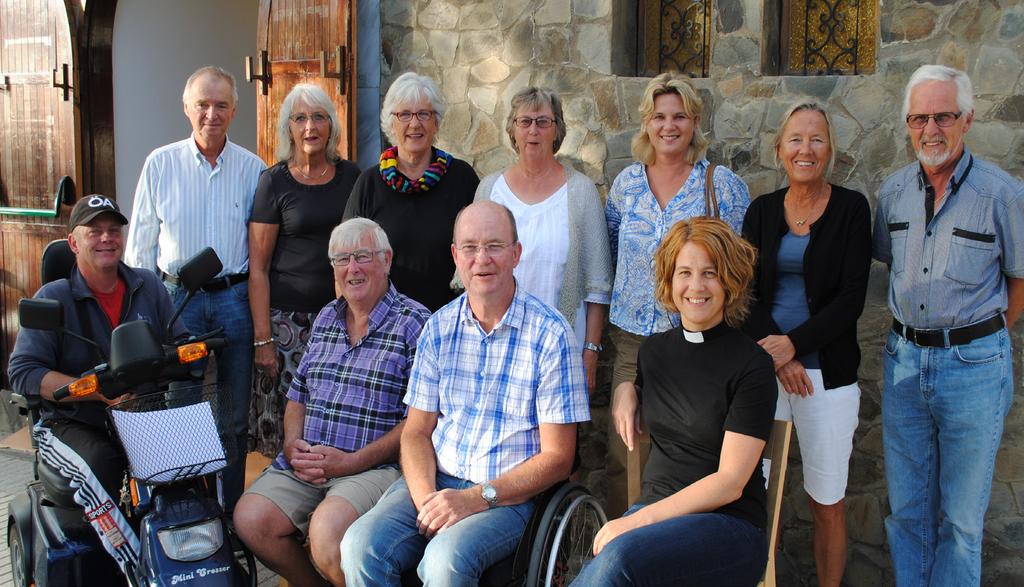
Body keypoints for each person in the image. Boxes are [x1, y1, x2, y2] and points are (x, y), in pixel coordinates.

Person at [341, 201, 590, 586]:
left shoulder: (551, 334)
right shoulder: (438, 328)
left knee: (444, 561)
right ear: (456, 257)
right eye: (470, 248)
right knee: (359, 546)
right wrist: (428, 501)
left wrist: (476, 498)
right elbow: (416, 431)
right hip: (436, 481)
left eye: (494, 246)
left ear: (515, 254)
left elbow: (559, 457)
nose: (482, 259)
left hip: (509, 498)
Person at [873, 64, 1024, 586]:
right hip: (904, 366)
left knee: (961, 521)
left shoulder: (1002, 194)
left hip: (975, 369)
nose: (930, 130)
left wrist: (984, 341)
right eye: (919, 118)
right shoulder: (892, 193)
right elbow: (893, 268)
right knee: (907, 513)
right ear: (907, 124)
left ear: (968, 120)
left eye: (943, 116)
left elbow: (1019, 278)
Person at [572, 217, 776, 586]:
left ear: (730, 280)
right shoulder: (654, 352)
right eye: (684, 272)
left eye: (710, 273)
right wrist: (625, 389)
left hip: (728, 527)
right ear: (669, 280)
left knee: (617, 560)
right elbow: (644, 390)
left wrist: (637, 520)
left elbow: (730, 482)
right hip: (655, 518)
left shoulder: (752, 365)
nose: (696, 287)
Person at [234, 218, 430, 586]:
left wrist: (352, 461)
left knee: (326, 536)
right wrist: (293, 446)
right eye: (342, 259)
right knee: (250, 518)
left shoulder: (416, 323)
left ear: (387, 260)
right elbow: (298, 395)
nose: (352, 268)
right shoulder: (327, 316)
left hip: (373, 468)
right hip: (309, 462)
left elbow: (418, 422)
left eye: (362, 257)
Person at [8, 196, 187, 574]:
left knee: (194, 460)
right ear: (73, 242)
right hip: (71, 423)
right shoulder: (53, 297)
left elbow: (180, 342)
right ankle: (127, 569)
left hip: (140, 414)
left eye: (113, 230)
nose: (106, 238)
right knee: (101, 465)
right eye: (95, 231)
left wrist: (188, 354)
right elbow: (23, 370)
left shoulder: (149, 286)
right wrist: (88, 387)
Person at [604, 72, 751, 517]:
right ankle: (623, 554)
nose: (669, 126)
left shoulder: (720, 185)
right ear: (647, 123)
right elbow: (614, 251)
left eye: (680, 116)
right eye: (660, 116)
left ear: (694, 123)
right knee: (624, 454)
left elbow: (741, 269)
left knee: (688, 459)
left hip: (695, 346)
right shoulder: (626, 185)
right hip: (632, 343)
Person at [741, 102, 871, 587]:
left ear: (830, 151)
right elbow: (744, 293)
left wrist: (792, 347)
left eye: (817, 140)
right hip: (765, 375)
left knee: (827, 501)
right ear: (779, 151)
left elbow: (851, 299)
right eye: (796, 139)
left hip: (827, 379)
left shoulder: (853, 209)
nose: (806, 149)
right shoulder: (761, 211)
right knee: (761, 498)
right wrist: (776, 358)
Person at [124, 65, 266, 509]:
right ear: (186, 108)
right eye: (202, 104)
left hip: (235, 301)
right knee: (181, 413)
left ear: (234, 110)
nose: (211, 114)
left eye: (221, 105)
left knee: (233, 418)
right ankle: (187, 509)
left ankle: (231, 511)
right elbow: (140, 249)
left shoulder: (254, 169)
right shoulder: (160, 164)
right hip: (175, 303)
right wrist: (143, 318)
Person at [473, 86, 612, 392]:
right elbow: (470, 275)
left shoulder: (581, 192)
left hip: (562, 349)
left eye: (543, 121)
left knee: (557, 440)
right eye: (525, 121)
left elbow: (598, 286)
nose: (533, 130)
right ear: (513, 129)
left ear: (557, 130)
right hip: (498, 347)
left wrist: (591, 351)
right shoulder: (489, 190)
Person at [248, 83, 361, 457]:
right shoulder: (274, 181)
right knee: (289, 424)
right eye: (300, 118)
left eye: (318, 117)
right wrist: (264, 339)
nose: (310, 126)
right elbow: (259, 268)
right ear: (289, 129)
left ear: (331, 127)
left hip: (339, 318)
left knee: (334, 414)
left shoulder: (352, 178)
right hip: (286, 326)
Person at [343, 71, 478, 312]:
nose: (414, 124)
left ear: (436, 122)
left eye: (424, 114)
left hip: (449, 320)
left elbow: (480, 249)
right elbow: (345, 258)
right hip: (385, 325)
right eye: (404, 114)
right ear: (391, 122)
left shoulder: (462, 178)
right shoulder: (369, 183)